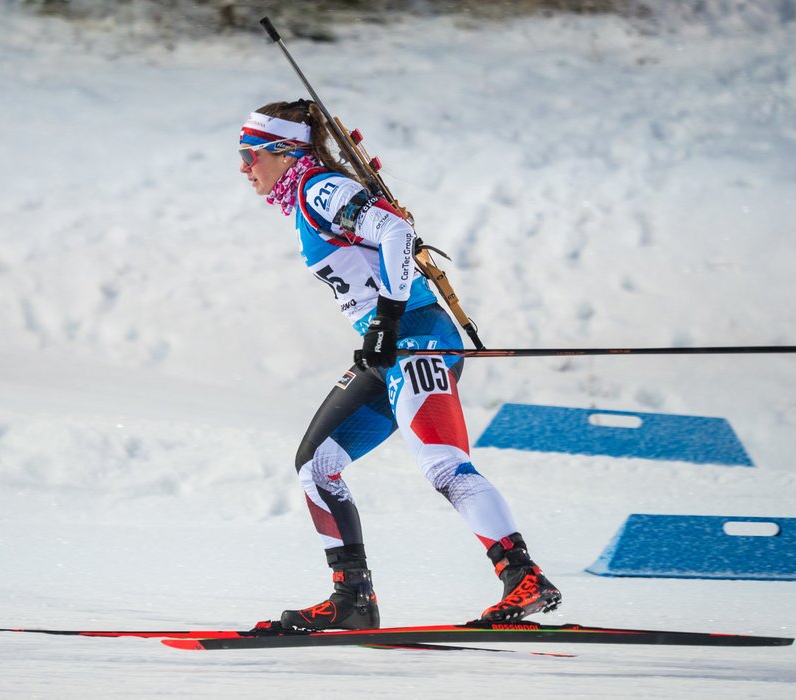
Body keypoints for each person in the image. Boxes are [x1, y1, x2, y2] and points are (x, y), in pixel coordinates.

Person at [238, 99, 561, 630]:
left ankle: (523, 578)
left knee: (443, 464)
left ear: (283, 150)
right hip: (386, 347)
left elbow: (394, 230)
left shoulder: (319, 189)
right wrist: (380, 328)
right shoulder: (303, 197)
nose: (245, 168)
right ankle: (352, 602)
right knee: (317, 466)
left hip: (415, 339)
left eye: (250, 154)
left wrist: (387, 318)